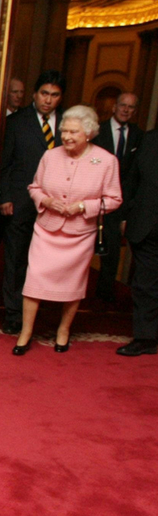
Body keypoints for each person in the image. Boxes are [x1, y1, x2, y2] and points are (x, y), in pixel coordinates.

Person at [12, 105, 121, 355]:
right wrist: (47, 201)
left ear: (89, 133)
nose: (67, 137)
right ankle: (25, 333)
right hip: (46, 229)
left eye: (74, 132)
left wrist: (83, 206)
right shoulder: (50, 156)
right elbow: (34, 187)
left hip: (80, 235)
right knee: (34, 280)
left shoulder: (106, 161)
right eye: (64, 131)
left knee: (73, 285)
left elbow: (114, 199)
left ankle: (63, 330)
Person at [0, 70, 65, 334]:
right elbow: (5, 163)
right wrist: (5, 197)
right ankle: (14, 314)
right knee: (16, 259)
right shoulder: (16, 122)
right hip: (21, 201)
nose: (48, 100)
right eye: (44, 93)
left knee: (49, 261)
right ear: (35, 94)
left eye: (54, 95)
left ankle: (42, 313)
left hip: (57, 204)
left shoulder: (69, 123)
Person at [93, 92, 142, 302]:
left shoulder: (139, 136)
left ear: (135, 111)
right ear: (114, 107)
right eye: (123, 105)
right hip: (92, 198)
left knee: (111, 253)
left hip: (118, 203)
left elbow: (134, 176)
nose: (126, 110)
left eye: (130, 107)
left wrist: (127, 211)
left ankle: (103, 298)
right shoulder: (97, 130)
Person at [117, 128, 158, 356]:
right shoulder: (149, 139)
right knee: (145, 284)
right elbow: (132, 179)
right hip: (146, 225)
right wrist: (125, 215)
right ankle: (146, 338)